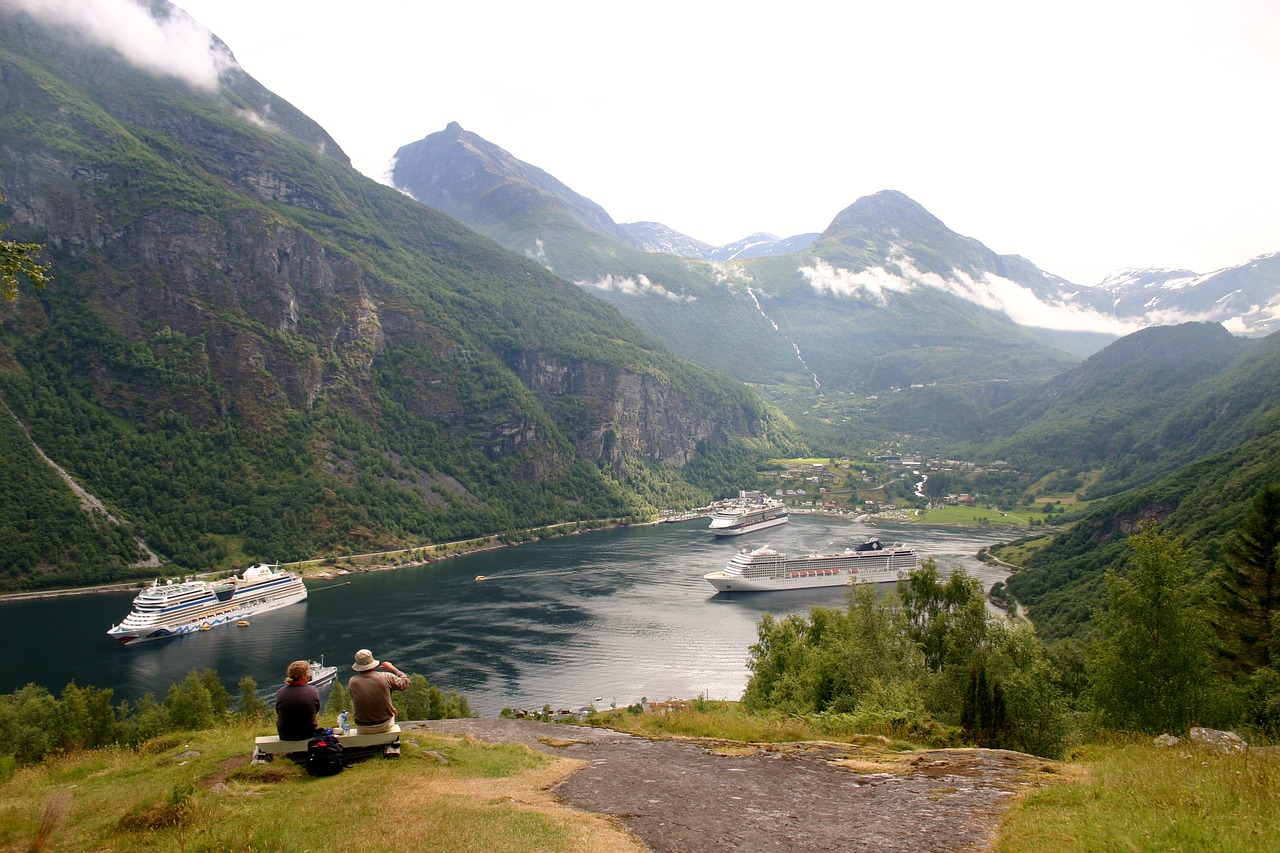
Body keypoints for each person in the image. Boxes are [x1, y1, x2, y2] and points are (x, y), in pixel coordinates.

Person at [347, 648, 409, 733]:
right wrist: (392, 668)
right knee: (391, 714)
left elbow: (365, 699)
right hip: (384, 725)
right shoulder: (386, 676)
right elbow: (405, 683)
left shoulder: (352, 681)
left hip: (362, 727)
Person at [275, 659, 321, 740]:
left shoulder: (281, 692)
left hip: (285, 735)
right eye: (308, 673)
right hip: (308, 734)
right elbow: (316, 710)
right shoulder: (312, 691)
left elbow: (278, 711)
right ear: (303, 676)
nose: (309, 675)